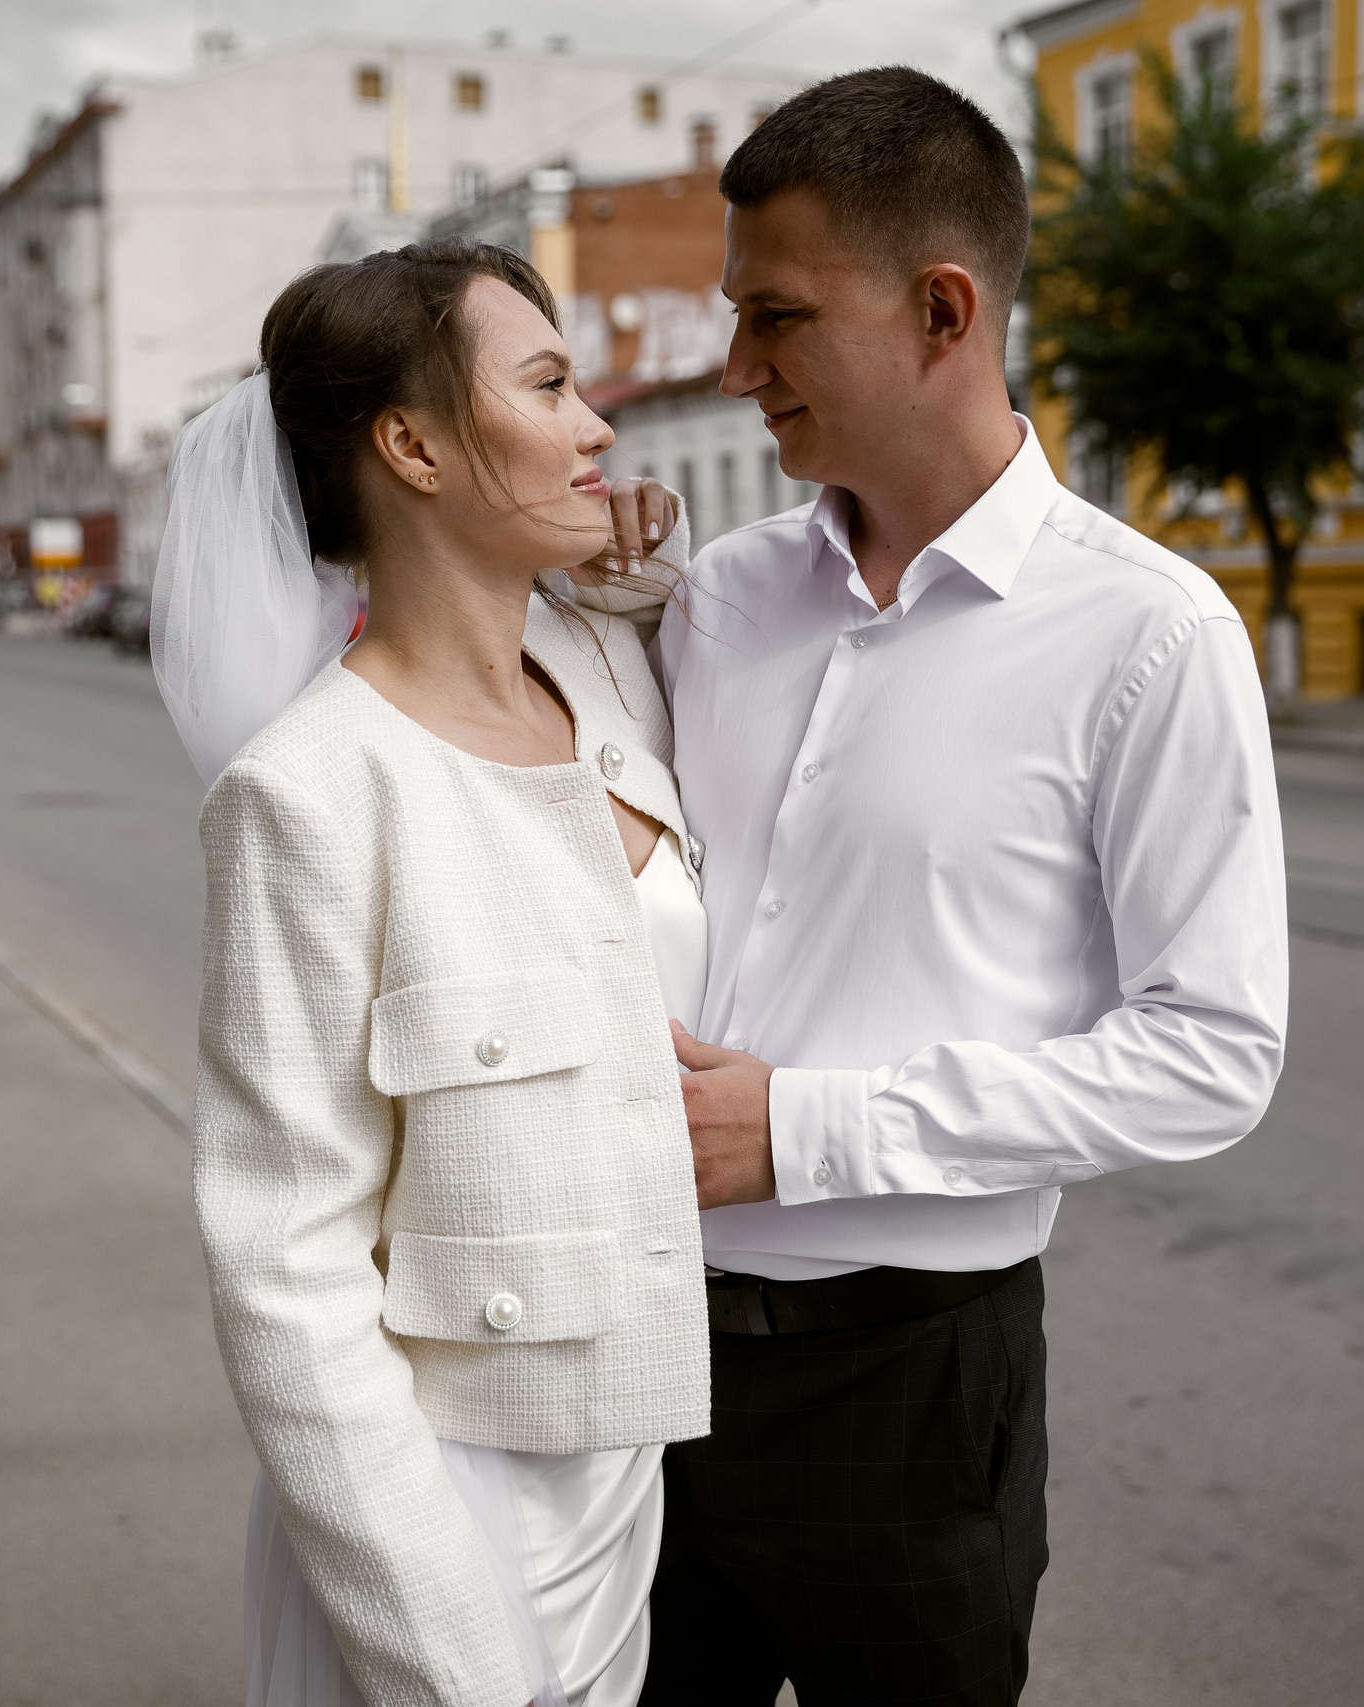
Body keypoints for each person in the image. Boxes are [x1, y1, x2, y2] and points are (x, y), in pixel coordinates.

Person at [622, 69, 1292, 1707]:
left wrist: (806, 1128)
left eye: (776, 318)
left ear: (942, 310)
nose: (737, 367)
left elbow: (1214, 1052)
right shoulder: (707, 598)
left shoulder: (1150, 634)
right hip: (638, 1346)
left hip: (909, 1385)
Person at [151, 240, 704, 1707]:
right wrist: (447, 1652)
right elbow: (285, 1265)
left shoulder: (604, 677)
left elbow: (675, 589)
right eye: (548, 383)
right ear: (408, 443)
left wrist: (612, 544)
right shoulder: (312, 791)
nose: (598, 425)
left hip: (624, 1491)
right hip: (451, 1512)